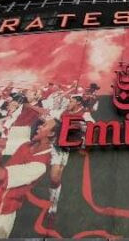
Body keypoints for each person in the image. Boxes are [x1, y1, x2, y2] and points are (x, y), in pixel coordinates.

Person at [0, 119, 57, 237]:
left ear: (51, 134)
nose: (39, 126)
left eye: (44, 125)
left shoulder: (39, 166)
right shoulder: (26, 144)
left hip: (0, 214)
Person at [46, 95, 94, 227]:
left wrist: (83, 140)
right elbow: (52, 120)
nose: (69, 103)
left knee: (66, 180)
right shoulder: (63, 112)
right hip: (57, 147)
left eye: (72, 101)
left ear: (78, 103)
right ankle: (52, 208)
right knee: (54, 178)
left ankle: (59, 209)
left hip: (71, 148)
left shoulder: (84, 114)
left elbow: (93, 128)